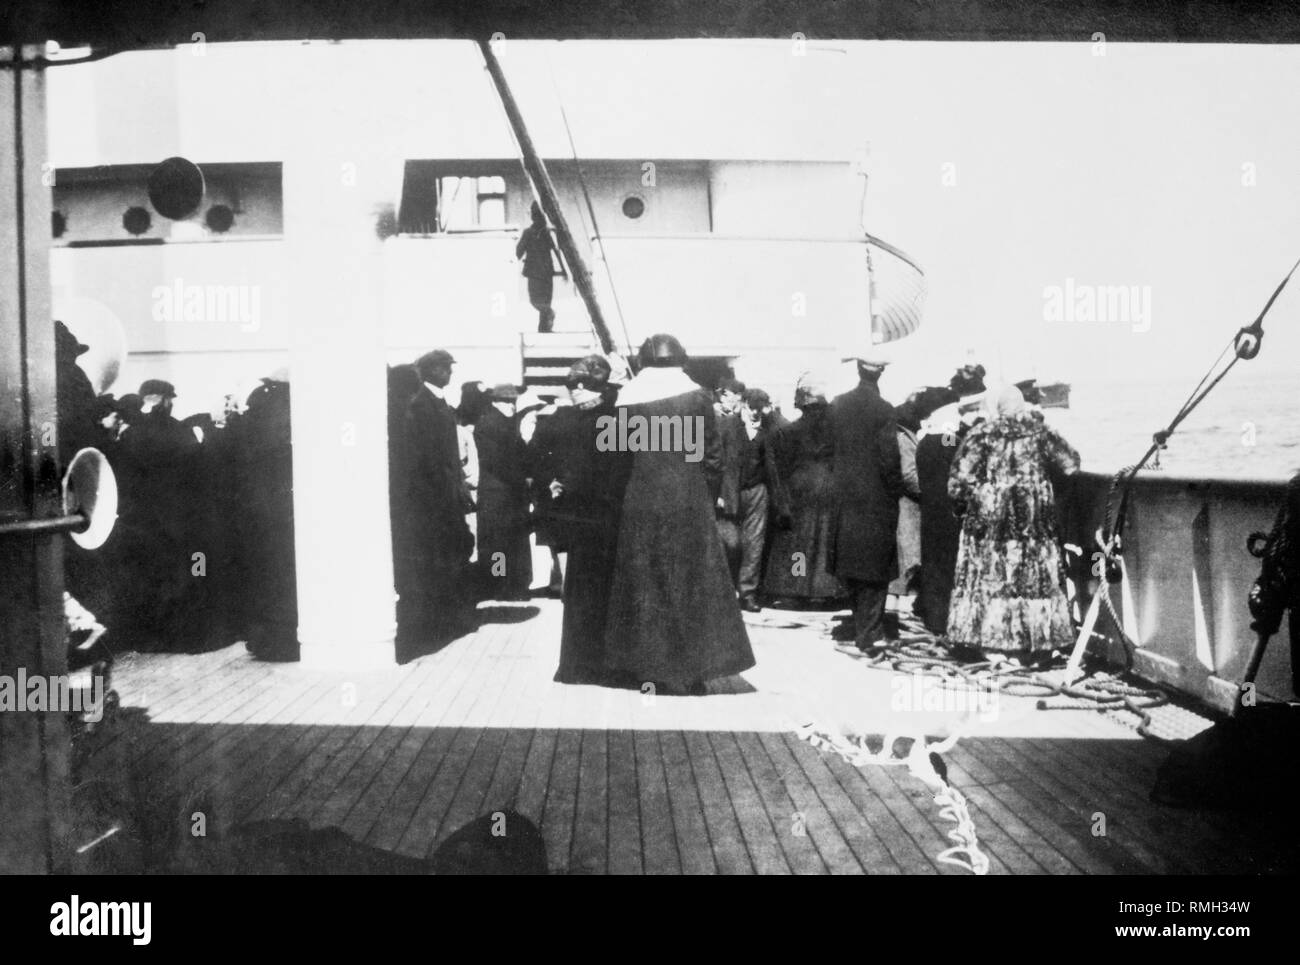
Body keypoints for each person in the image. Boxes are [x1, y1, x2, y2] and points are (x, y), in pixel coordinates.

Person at [602, 334, 755, 693]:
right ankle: (693, 671)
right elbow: (713, 457)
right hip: (688, 501)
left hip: (640, 502)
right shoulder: (698, 397)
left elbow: (615, 458)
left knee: (645, 585)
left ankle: (647, 669)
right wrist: (705, 495)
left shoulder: (626, 399)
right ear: (680, 361)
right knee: (691, 583)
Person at [946, 385, 1081, 662]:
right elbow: (1071, 464)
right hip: (1034, 526)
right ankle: (1036, 646)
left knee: (992, 583)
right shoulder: (1041, 432)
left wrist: (984, 495)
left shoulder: (980, 434)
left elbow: (957, 484)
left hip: (991, 529)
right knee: (1034, 585)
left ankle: (994, 648)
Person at [530, 356, 630, 683]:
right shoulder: (621, 420)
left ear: (581, 385)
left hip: (578, 520)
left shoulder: (559, 420)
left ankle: (578, 667)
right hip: (615, 518)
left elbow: (532, 461)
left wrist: (555, 483)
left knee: (581, 595)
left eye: (574, 385)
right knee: (613, 594)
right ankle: (611, 666)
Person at [397, 349, 476, 662]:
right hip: (433, 501)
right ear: (430, 371)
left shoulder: (440, 402)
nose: (450, 373)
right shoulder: (420, 405)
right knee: (434, 561)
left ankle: (446, 617)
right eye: (445, 368)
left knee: (450, 556)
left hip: (447, 497)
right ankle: (436, 622)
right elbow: (426, 459)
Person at [828, 350, 905, 650]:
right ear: (880, 373)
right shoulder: (885, 410)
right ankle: (869, 633)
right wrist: (895, 490)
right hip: (876, 502)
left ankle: (860, 624)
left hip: (846, 498)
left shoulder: (839, 404)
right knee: (876, 569)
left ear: (858, 370)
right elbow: (889, 459)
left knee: (853, 564)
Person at [762, 373, 844, 605]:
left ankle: (796, 588)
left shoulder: (789, 432)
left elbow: (781, 468)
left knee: (799, 542)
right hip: (829, 486)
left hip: (800, 490)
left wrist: (782, 500)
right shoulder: (836, 430)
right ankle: (823, 589)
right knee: (824, 541)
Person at [914, 391, 985, 635]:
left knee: (933, 565)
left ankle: (935, 619)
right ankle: (948, 621)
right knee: (950, 566)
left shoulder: (924, 442)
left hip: (930, 512)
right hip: (950, 514)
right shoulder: (947, 441)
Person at [474, 384, 533, 601]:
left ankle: (511, 585)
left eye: (513, 401)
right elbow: (496, 461)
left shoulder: (505, 422)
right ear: (495, 401)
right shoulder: (489, 423)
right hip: (497, 493)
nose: (511, 405)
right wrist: (524, 479)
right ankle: (498, 585)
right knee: (497, 544)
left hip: (508, 493)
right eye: (506, 401)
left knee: (510, 541)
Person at [515, 201, 559, 333]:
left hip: (534, 273)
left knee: (535, 301)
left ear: (533, 216)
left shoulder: (528, 232)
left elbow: (518, 252)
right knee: (545, 301)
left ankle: (549, 313)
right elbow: (555, 249)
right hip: (547, 272)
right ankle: (544, 330)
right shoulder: (547, 232)